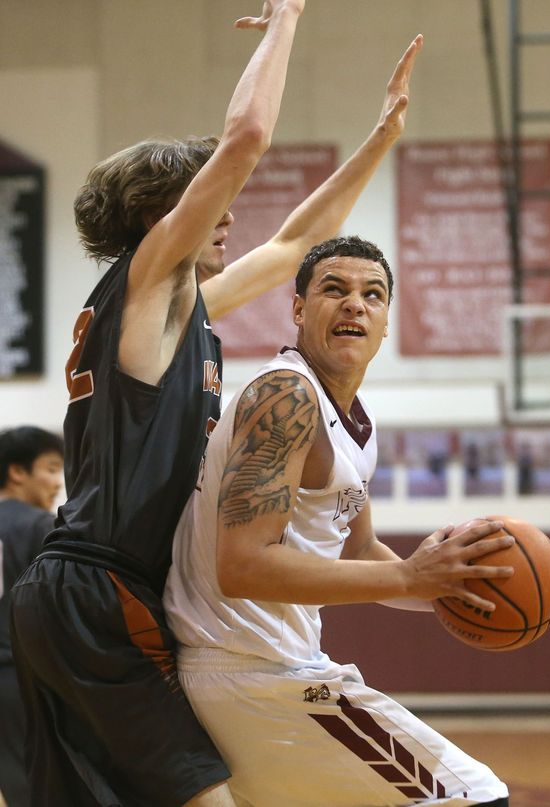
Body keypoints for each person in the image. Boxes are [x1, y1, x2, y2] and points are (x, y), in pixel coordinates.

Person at [9, 3, 425, 805]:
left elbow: (296, 239)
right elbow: (245, 141)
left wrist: (380, 141)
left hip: (76, 590)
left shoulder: (176, 309)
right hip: (100, 589)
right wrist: (287, 21)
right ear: (164, 216)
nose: (230, 213)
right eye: (210, 199)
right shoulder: (149, 279)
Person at [164, 236, 513, 807]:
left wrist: (448, 588)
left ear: (385, 323)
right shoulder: (285, 394)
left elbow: (359, 550)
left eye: (372, 295)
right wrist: (410, 578)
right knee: (472, 796)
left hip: (265, 670)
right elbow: (243, 566)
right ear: (299, 310)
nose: (355, 303)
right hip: (248, 670)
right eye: (335, 289)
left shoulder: (355, 421)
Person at [0, 427, 64, 807]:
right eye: (51, 469)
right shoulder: (41, 526)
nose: (58, 482)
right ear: (17, 472)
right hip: (24, 678)